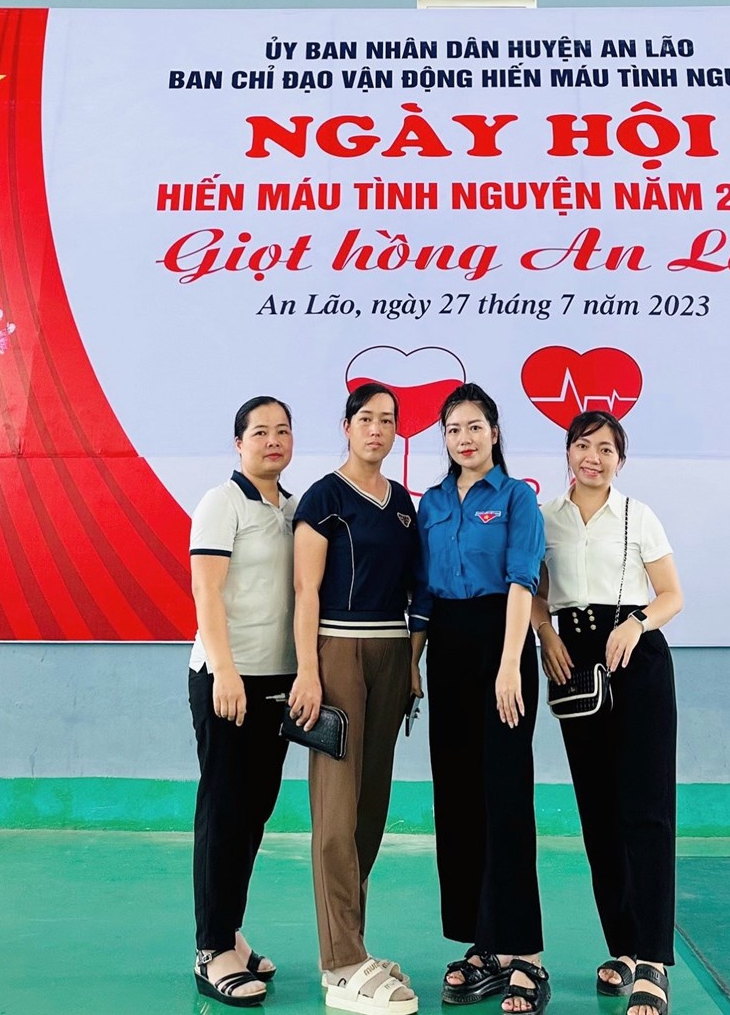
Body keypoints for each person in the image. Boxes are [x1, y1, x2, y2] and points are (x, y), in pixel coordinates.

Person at [535, 411, 684, 1015]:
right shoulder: (545, 516)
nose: (592, 457)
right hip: (573, 661)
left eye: (605, 448)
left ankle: (653, 960)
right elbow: (534, 591)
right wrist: (546, 634)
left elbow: (672, 594)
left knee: (646, 811)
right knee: (598, 814)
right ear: (568, 452)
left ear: (620, 460)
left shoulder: (637, 515)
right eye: (582, 445)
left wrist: (637, 622)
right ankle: (622, 946)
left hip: (636, 660)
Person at [411, 383, 550, 1015]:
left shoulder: (517, 497)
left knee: (506, 796)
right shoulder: (434, 503)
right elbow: (422, 591)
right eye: (452, 429)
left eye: (474, 427)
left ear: (494, 432)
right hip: (447, 647)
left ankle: (527, 955)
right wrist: (413, 665)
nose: (464, 439)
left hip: (503, 641)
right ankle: (483, 945)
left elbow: (523, 580)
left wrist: (510, 664)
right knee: (458, 795)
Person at [288, 383, 421, 1015]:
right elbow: (306, 592)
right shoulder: (324, 498)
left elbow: (412, 591)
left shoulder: (403, 504)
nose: (377, 429)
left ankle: (354, 945)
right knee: (337, 812)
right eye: (366, 418)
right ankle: (339, 963)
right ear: (346, 426)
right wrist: (308, 672)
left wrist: (412, 664)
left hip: (392, 654)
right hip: (337, 654)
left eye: (387, 420)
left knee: (371, 807)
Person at [188, 397, 298, 1008]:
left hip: (278, 681)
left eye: (282, 431)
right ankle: (211, 949)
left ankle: (229, 929)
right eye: (260, 432)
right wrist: (225, 671)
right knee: (224, 812)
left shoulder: (292, 508)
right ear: (239, 442)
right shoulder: (221, 502)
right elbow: (206, 590)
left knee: (253, 813)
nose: (272, 441)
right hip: (229, 680)